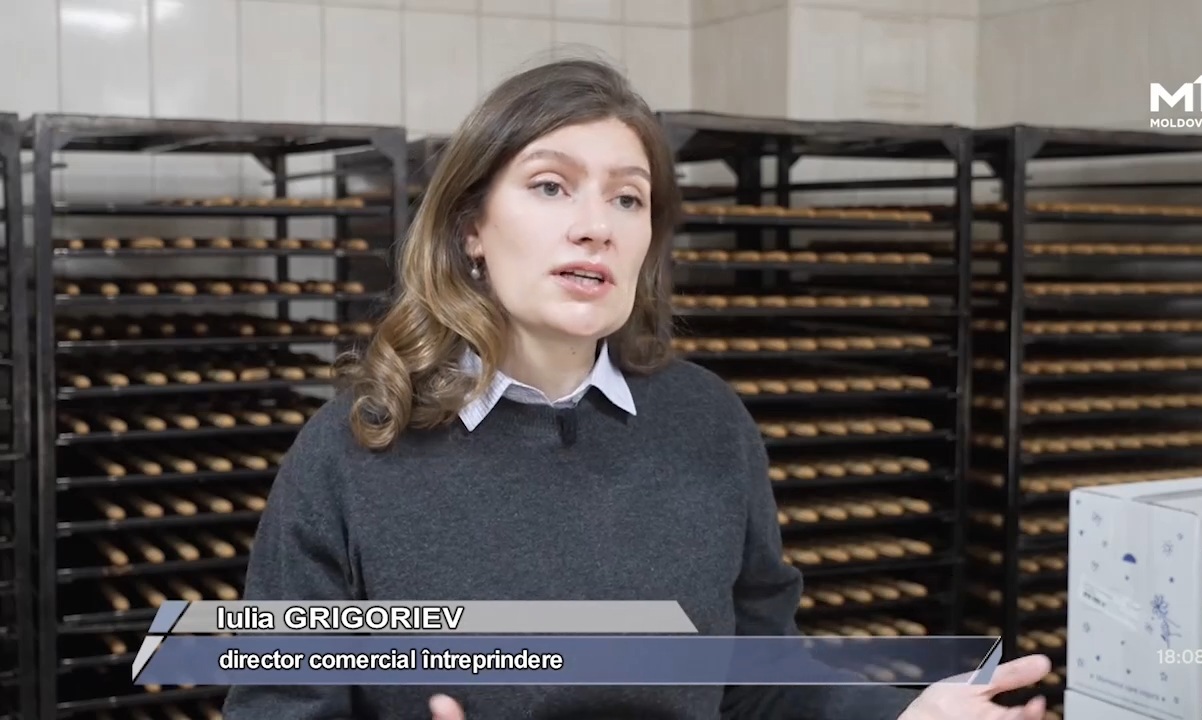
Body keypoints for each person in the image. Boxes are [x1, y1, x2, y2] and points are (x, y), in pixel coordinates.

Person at [221, 57, 1051, 719]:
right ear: (470, 226)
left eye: (627, 198)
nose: (596, 226)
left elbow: (759, 687)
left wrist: (903, 713)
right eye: (551, 186)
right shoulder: (353, 449)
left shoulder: (707, 422)